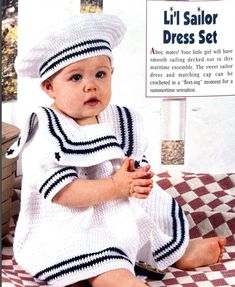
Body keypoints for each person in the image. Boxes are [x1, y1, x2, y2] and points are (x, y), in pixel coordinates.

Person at [6, 13, 226, 287]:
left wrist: (137, 179)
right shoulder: (48, 131)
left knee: (149, 222)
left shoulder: (120, 119)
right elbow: (62, 193)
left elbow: (132, 164)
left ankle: (170, 252)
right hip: (70, 222)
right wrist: (115, 186)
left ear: (112, 74)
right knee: (100, 257)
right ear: (50, 87)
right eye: (75, 77)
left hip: (118, 207)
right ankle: (113, 276)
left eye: (100, 74)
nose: (91, 85)